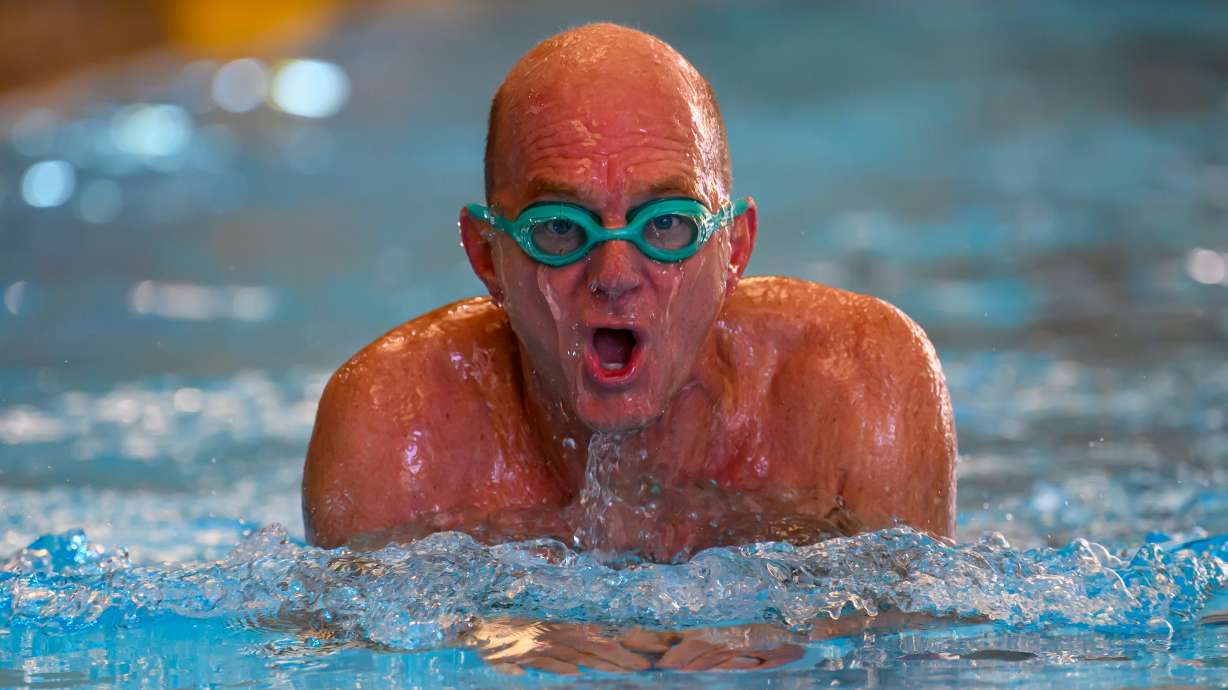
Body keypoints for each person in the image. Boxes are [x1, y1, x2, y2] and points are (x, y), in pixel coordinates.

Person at [302, 23, 956, 563]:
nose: (614, 273)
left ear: (734, 249)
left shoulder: (859, 389)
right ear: (487, 256)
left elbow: (910, 650)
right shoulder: (393, 432)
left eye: (666, 225)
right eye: (560, 228)